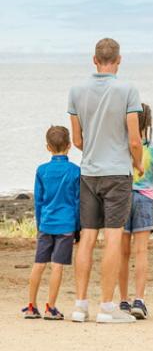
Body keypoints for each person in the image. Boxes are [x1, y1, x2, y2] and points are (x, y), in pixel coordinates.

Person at [68, 37, 143, 324]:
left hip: (89, 172)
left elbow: (77, 139)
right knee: (113, 237)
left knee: (87, 238)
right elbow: (134, 139)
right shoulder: (128, 90)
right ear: (119, 59)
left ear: (94, 59)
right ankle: (107, 307)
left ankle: (79, 305)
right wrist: (136, 163)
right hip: (117, 172)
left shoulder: (76, 90)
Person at [119, 102, 153, 319]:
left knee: (122, 254)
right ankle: (139, 300)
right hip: (145, 200)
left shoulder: (121, 145)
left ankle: (123, 301)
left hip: (121, 199)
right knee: (141, 252)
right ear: (148, 122)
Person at [22, 126, 80, 320]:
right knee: (57, 265)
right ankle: (51, 307)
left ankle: (31, 305)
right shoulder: (75, 171)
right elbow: (78, 201)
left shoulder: (42, 170)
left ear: (48, 147)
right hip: (66, 225)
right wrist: (78, 227)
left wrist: (40, 224)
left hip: (46, 223)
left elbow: (38, 201)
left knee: (39, 264)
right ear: (69, 145)